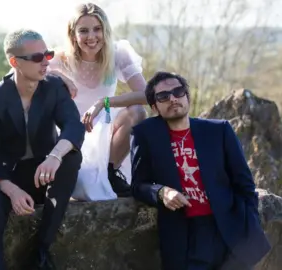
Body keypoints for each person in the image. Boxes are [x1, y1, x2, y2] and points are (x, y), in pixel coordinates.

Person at [130, 71, 271, 270]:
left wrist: (250, 224)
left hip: (229, 231)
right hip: (184, 234)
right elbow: (138, 185)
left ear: (187, 96)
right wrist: (162, 192)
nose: (173, 99)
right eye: (163, 96)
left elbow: (245, 183)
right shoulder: (145, 135)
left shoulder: (219, 130)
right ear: (155, 107)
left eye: (178, 92)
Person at [0, 29, 85, 270]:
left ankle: (42, 252)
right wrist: (10, 190)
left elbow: (74, 126)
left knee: (72, 156)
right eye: (37, 57)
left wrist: (55, 156)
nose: (45, 61)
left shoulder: (53, 87)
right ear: (14, 62)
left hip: (41, 172)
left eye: (47, 54)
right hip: (0, 178)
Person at [48, 2, 148, 199]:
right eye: (83, 30)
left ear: (105, 31)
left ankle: (111, 171)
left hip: (107, 131)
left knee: (137, 111)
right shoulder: (60, 59)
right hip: (71, 134)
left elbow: (146, 94)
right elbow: (25, 76)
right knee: (84, 187)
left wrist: (104, 102)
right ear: (73, 34)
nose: (91, 37)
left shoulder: (118, 54)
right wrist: (60, 77)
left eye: (97, 29)